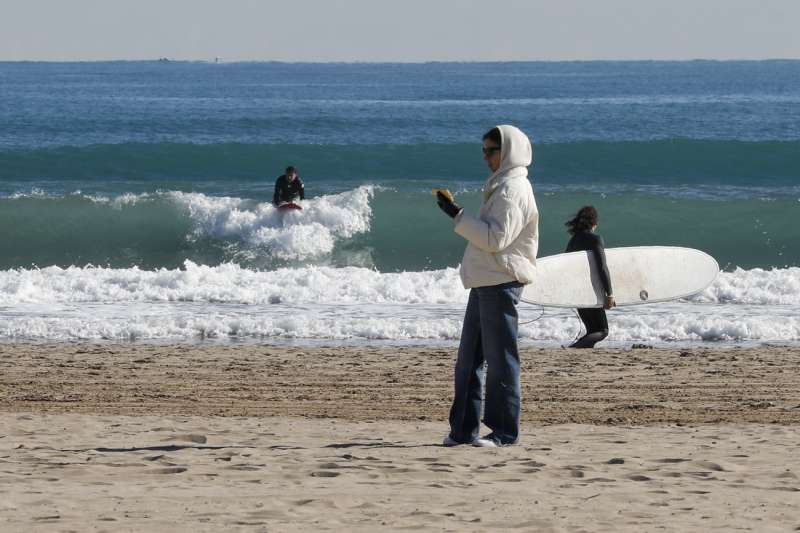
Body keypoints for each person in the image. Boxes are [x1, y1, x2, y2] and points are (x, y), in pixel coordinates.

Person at [435, 125, 539, 448]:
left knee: (501, 360)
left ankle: (506, 432)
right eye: (483, 149)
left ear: (508, 152)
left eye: (491, 150)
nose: (486, 156)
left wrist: (457, 215)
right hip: (486, 280)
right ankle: (463, 430)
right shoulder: (500, 185)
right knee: (468, 359)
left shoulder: (514, 190)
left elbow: (496, 239)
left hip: (501, 281)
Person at [564, 205, 616, 348]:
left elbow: (566, 267)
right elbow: (602, 267)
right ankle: (573, 348)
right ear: (594, 223)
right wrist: (609, 294)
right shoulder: (595, 239)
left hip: (577, 291)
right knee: (602, 330)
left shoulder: (573, 241)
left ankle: (577, 349)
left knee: (592, 330)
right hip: (590, 291)